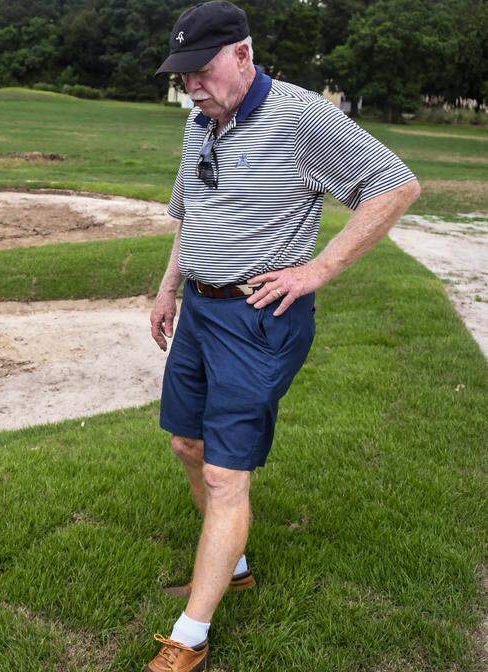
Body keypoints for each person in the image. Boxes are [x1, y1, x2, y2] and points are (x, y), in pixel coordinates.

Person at [144, 1, 420, 670]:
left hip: (258, 319)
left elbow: (395, 183)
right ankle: (232, 564)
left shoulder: (300, 116)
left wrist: (319, 268)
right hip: (201, 313)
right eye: (184, 78)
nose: (193, 89)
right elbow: (192, 210)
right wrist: (168, 287)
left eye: (202, 73)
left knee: (224, 473)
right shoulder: (202, 122)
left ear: (243, 54)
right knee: (186, 441)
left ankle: (190, 636)